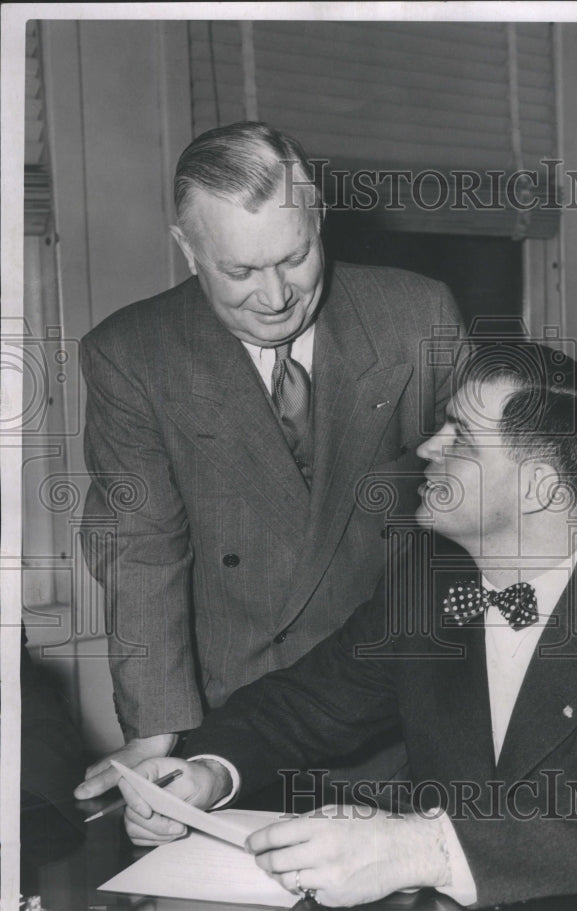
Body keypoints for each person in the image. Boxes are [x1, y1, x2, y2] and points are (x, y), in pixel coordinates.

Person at [116, 343, 577, 909]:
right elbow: (299, 706)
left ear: (544, 489)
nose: (425, 449)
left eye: (461, 437)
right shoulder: (428, 595)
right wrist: (206, 774)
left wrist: (419, 850)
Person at [74, 122, 464, 799]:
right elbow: (141, 551)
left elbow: (479, 512)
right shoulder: (133, 356)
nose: (277, 295)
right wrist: (159, 730)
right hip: (233, 726)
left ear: (319, 220)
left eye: (295, 256)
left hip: (400, 709)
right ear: (189, 252)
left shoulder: (416, 317)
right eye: (241, 271)